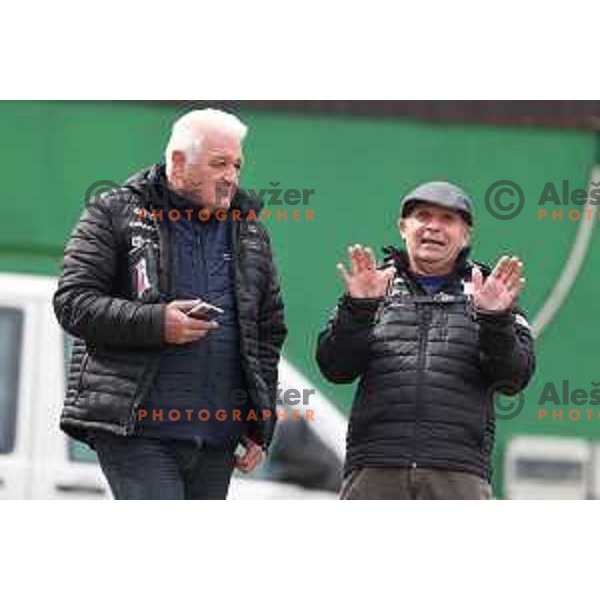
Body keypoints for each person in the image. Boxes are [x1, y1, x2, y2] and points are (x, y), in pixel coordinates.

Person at [54, 109, 287, 499]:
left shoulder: (251, 232)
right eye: (219, 164)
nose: (231, 176)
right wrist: (157, 322)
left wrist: (258, 423)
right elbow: (73, 303)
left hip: (217, 440)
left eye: (237, 165)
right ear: (178, 162)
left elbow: (267, 333)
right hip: (137, 432)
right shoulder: (113, 211)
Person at [316, 181, 535, 500]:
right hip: (375, 467)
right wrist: (360, 309)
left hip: (458, 471)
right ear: (403, 227)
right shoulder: (372, 286)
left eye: (447, 219)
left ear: (465, 235)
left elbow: (513, 379)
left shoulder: (492, 293)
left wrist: (495, 320)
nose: (433, 226)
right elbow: (335, 368)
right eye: (423, 216)